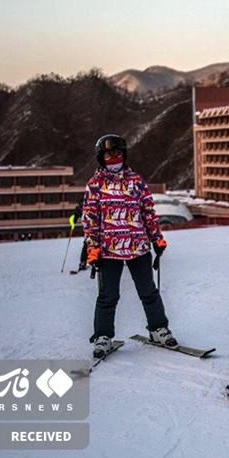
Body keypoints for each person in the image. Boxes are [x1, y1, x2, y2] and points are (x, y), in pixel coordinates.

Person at [82, 134, 176, 358]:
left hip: (138, 247)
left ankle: (158, 329)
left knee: (148, 292)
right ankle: (103, 336)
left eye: (118, 153)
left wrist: (157, 238)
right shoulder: (95, 185)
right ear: (100, 157)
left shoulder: (136, 180)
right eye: (109, 154)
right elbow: (90, 219)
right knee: (108, 296)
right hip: (109, 250)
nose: (114, 158)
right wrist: (93, 247)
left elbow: (148, 213)